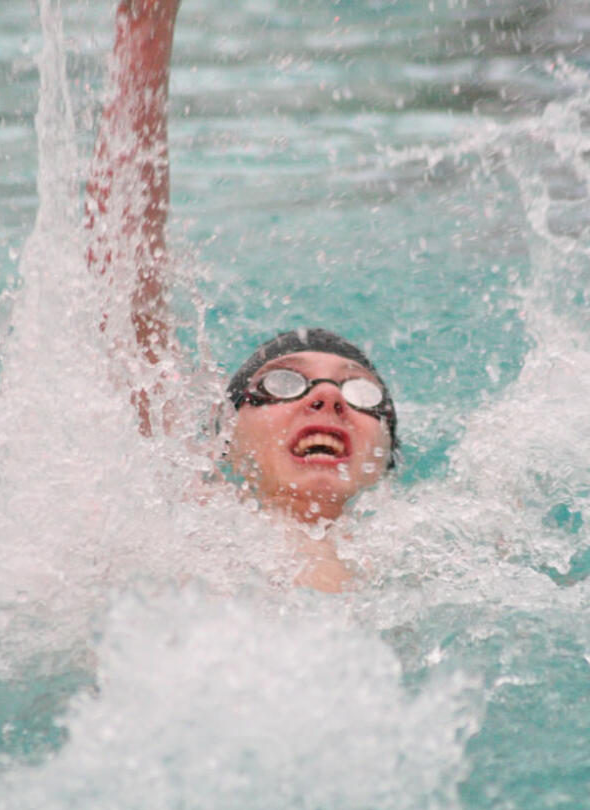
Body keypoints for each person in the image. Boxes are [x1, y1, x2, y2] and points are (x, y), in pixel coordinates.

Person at [84, 0, 398, 590]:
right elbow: (123, 289)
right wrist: (143, 37)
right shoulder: (185, 517)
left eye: (362, 393)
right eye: (283, 383)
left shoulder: (441, 550)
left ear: (389, 458)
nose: (328, 397)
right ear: (222, 442)